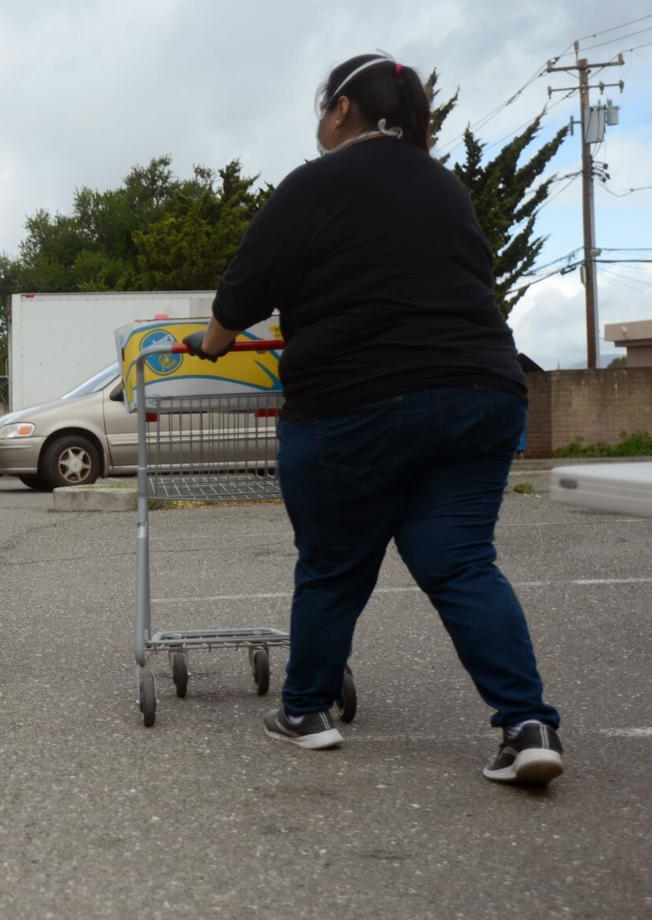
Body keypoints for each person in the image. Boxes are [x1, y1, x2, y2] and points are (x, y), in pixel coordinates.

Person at [188, 53, 564, 784]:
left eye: (322, 107)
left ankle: (306, 711)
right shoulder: (446, 188)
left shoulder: (316, 183)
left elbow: (243, 293)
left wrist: (214, 340)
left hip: (356, 404)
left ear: (340, 111)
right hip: (482, 395)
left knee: (333, 563)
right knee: (460, 562)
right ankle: (527, 724)